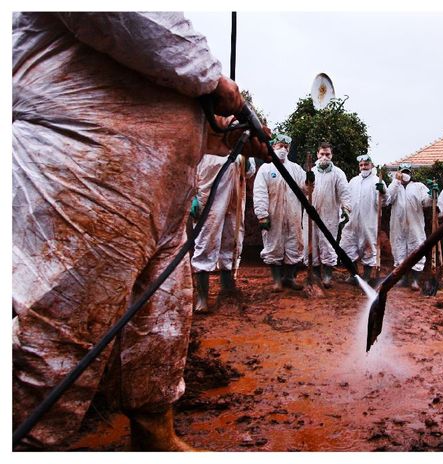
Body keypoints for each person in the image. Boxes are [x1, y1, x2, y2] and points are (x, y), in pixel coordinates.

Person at [12, 12, 269, 451]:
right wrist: (214, 81)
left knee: (161, 328)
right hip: (84, 175)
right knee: (56, 333)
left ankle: (156, 435)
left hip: (159, 196)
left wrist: (217, 130)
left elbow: (149, 91)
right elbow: (126, 16)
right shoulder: (187, 57)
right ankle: (27, 444)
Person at [190, 153, 256, 311]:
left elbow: (249, 172)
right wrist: (191, 196)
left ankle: (227, 292)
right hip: (208, 201)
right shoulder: (206, 144)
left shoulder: (240, 147)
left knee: (231, 243)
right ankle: (202, 297)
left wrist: (245, 159)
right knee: (205, 243)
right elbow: (189, 170)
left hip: (234, 202)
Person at [253, 133, 308, 291]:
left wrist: (310, 180)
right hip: (273, 214)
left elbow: (306, 188)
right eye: (279, 146)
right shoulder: (266, 168)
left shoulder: (296, 169)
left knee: (294, 244)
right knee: (273, 245)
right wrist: (262, 214)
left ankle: (289, 278)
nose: (283, 149)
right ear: (273, 146)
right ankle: (277, 280)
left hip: (293, 214)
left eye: (286, 147)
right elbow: (260, 193)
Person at [303, 142, 352, 288]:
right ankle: (316, 274)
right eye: (322, 154)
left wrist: (346, 209)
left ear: (332, 155)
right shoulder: (311, 171)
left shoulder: (338, 173)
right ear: (317, 154)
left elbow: (344, 193)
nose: (324, 157)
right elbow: (303, 190)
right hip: (311, 213)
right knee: (311, 243)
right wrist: (307, 182)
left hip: (329, 214)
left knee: (327, 243)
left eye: (327, 154)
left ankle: (327, 275)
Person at [384, 163, 434, 291]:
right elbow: (387, 199)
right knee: (399, 249)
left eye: (407, 172)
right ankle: (403, 279)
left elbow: (427, 202)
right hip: (398, 224)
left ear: (411, 173)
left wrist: (433, 193)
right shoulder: (395, 186)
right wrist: (395, 181)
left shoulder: (419, 187)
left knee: (416, 248)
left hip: (415, 225)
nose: (405, 174)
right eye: (402, 171)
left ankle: (415, 280)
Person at [340, 154, 388, 283]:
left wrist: (383, 191)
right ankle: (354, 275)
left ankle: (366, 277)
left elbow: (385, 201)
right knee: (347, 245)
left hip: (369, 221)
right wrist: (345, 210)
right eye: (361, 165)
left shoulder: (377, 181)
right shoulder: (353, 181)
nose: (363, 167)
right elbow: (347, 198)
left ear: (371, 165)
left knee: (368, 247)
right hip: (353, 220)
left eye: (366, 164)